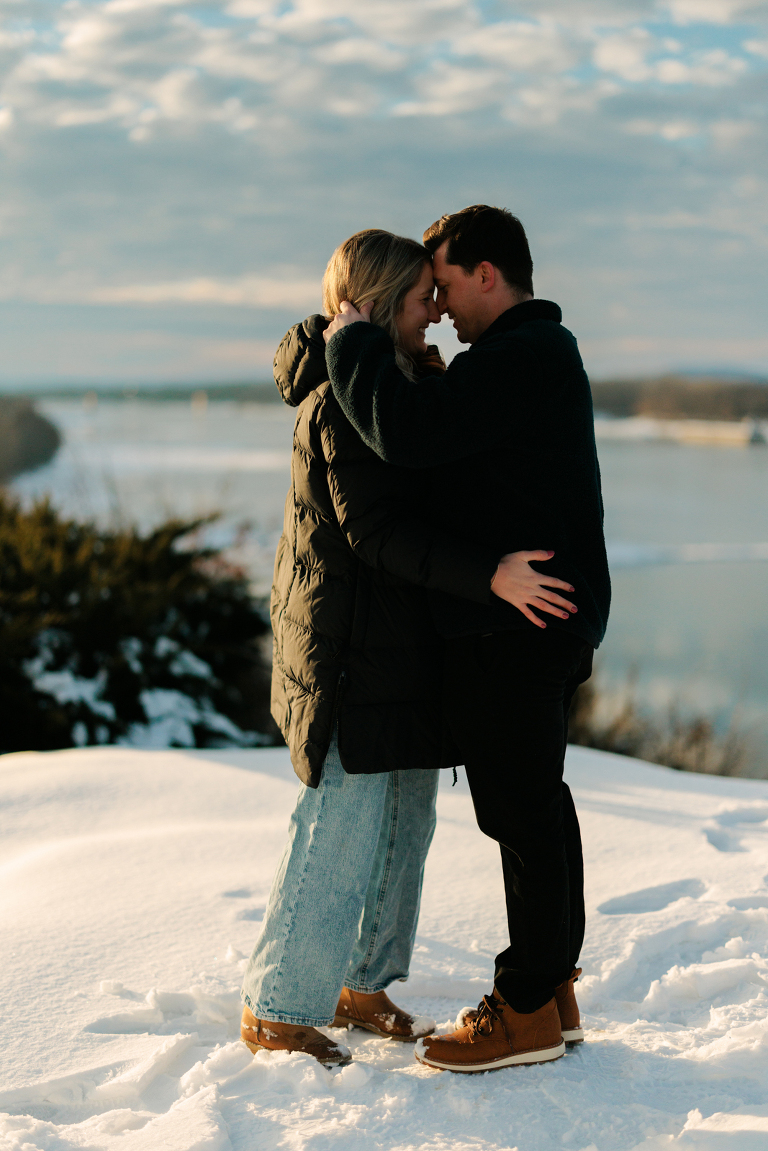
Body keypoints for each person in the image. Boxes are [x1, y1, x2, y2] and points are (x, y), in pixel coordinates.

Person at [240, 227, 575, 1066]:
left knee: (403, 828)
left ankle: (364, 982)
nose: (436, 312)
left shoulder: (402, 389)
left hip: (408, 651)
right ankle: (278, 1002)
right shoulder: (341, 400)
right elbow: (378, 532)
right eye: (424, 298)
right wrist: (487, 575)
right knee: (339, 824)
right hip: (356, 649)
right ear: (385, 303)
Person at [324, 205, 611, 1072]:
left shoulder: (520, 355)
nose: (440, 306)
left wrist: (351, 343)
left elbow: (408, 434)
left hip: (515, 626)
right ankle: (551, 989)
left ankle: (523, 1007)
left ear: (488, 273)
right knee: (536, 804)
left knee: (520, 811)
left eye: (444, 283)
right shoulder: (531, 355)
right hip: (535, 618)